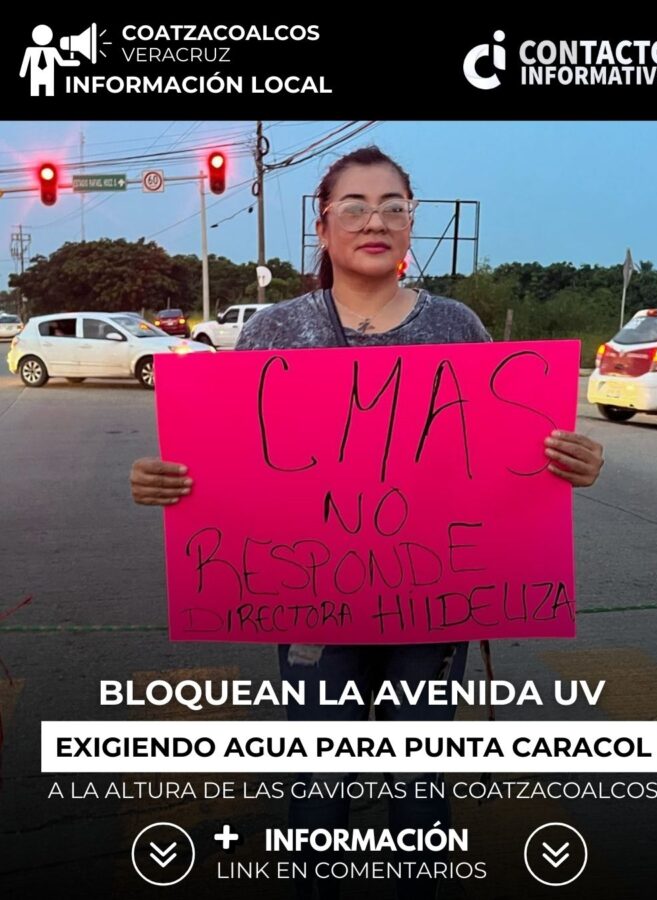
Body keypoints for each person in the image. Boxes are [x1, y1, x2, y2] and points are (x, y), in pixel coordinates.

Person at [130, 146, 604, 898]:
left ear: (413, 222)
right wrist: (168, 483)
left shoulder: (459, 327)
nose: (374, 220)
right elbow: (227, 468)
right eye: (354, 206)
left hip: (432, 612)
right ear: (321, 226)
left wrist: (570, 461)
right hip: (309, 611)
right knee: (317, 789)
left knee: (419, 793)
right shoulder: (275, 332)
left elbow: (505, 457)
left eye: (393, 206)